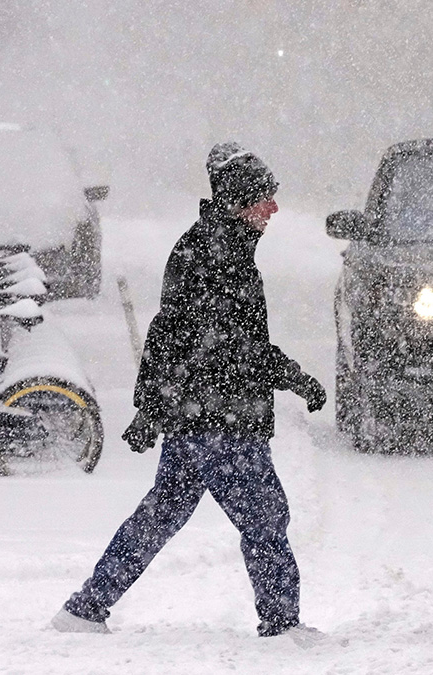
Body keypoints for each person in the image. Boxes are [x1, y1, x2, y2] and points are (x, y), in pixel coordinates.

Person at [51, 142, 327, 642]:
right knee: (265, 519)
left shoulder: (211, 245)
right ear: (241, 198)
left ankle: (86, 607)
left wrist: (153, 408)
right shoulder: (217, 254)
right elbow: (225, 346)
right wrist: (292, 377)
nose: (274, 208)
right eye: (265, 197)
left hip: (198, 414)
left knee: (161, 516)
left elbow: (171, 335)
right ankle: (283, 624)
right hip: (222, 416)